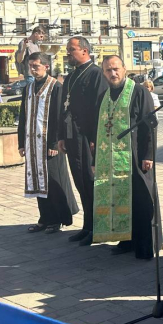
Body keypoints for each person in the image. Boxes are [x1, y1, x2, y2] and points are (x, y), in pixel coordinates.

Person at [91, 56, 156, 260]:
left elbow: (150, 124)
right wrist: (95, 160)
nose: (113, 73)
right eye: (108, 70)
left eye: (116, 69)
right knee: (121, 200)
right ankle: (126, 239)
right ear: (104, 73)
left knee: (141, 202)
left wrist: (149, 154)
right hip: (112, 160)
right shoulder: (104, 96)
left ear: (125, 69)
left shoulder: (138, 91)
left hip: (135, 157)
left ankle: (145, 246)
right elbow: (98, 130)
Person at [18, 53, 78, 234]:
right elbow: (23, 117)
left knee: (53, 181)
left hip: (50, 145)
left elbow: (60, 117)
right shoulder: (28, 88)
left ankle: (59, 218)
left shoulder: (56, 87)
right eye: (31, 66)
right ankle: (45, 218)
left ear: (46, 66)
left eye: (36, 65)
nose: (33, 69)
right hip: (32, 145)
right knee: (37, 182)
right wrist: (21, 142)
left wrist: (54, 143)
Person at [58, 37, 108, 246]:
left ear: (85, 51)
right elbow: (64, 107)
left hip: (88, 138)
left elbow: (100, 109)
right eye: (68, 50)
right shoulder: (71, 76)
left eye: (72, 50)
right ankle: (87, 226)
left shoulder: (96, 74)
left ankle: (97, 227)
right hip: (72, 138)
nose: (68, 53)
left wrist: (96, 140)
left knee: (90, 183)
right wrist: (61, 136)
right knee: (80, 183)